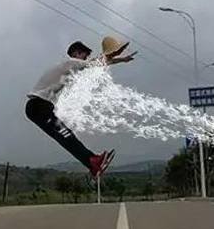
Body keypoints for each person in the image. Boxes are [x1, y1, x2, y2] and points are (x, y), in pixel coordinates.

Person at [25, 37, 136, 177]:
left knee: (66, 136)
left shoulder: (70, 68)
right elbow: (95, 62)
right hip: (38, 106)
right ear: (77, 53)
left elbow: (97, 64)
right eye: (85, 55)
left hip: (40, 108)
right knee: (66, 136)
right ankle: (93, 161)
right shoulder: (70, 62)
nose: (85, 58)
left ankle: (92, 163)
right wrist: (116, 54)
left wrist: (121, 59)